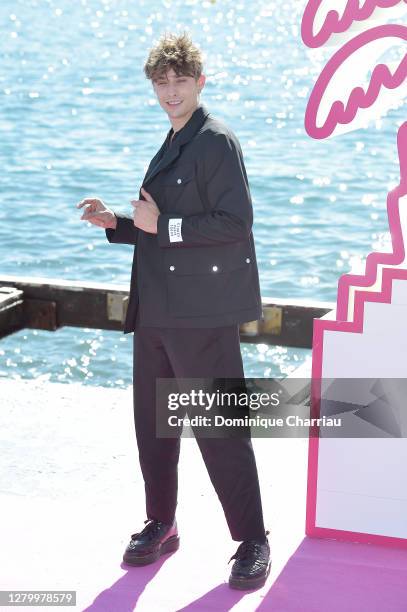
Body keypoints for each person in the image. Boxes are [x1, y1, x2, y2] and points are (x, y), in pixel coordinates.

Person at [77, 31, 270, 591]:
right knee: (153, 429)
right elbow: (155, 227)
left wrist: (167, 226)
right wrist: (116, 222)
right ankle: (161, 523)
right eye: (160, 82)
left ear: (199, 82)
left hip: (202, 314)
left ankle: (253, 540)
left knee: (219, 429)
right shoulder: (173, 140)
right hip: (156, 313)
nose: (169, 90)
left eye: (179, 80)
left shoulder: (215, 141)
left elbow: (235, 225)